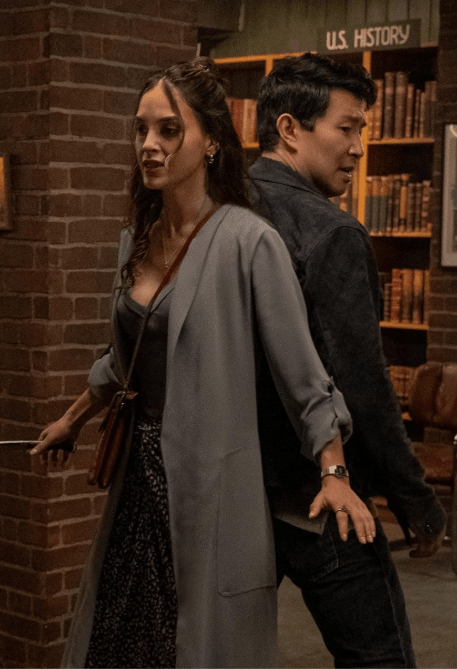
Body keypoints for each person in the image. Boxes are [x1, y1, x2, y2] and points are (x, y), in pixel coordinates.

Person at [30, 57, 376, 669]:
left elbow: (303, 378)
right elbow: (124, 360)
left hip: (211, 480)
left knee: (195, 642)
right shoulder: (136, 239)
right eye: (142, 130)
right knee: (122, 639)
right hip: (140, 478)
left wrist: (335, 472)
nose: (150, 145)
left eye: (169, 130)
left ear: (211, 141)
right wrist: (72, 419)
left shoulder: (249, 242)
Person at [249, 51, 447, 668]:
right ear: (290, 128)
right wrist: (415, 503)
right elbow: (362, 386)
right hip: (320, 497)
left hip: (238, 490)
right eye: (347, 127)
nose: (359, 147)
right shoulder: (331, 232)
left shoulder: (221, 214)